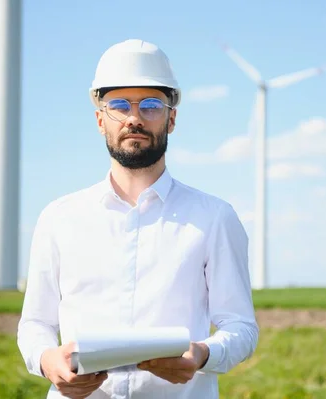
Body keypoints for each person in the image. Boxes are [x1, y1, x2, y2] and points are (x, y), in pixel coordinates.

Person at [17, 39, 259, 399]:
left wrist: (204, 354)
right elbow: (36, 323)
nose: (134, 118)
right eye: (118, 105)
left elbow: (240, 325)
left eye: (150, 105)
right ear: (100, 120)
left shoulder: (215, 218)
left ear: (171, 119)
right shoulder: (58, 218)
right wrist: (46, 359)